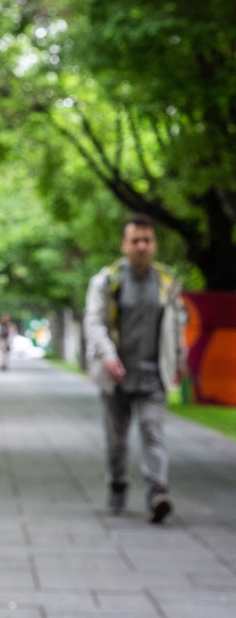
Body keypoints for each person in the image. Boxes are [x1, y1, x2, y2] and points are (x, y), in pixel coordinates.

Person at [84, 213, 186, 523]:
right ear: (124, 245)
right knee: (117, 440)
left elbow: (176, 324)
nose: (142, 246)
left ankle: (157, 492)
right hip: (116, 376)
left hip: (153, 375)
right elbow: (94, 322)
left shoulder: (167, 283)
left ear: (154, 245)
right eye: (135, 240)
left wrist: (179, 359)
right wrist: (108, 356)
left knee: (153, 432)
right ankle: (117, 486)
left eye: (147, 240)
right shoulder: (107, 281)